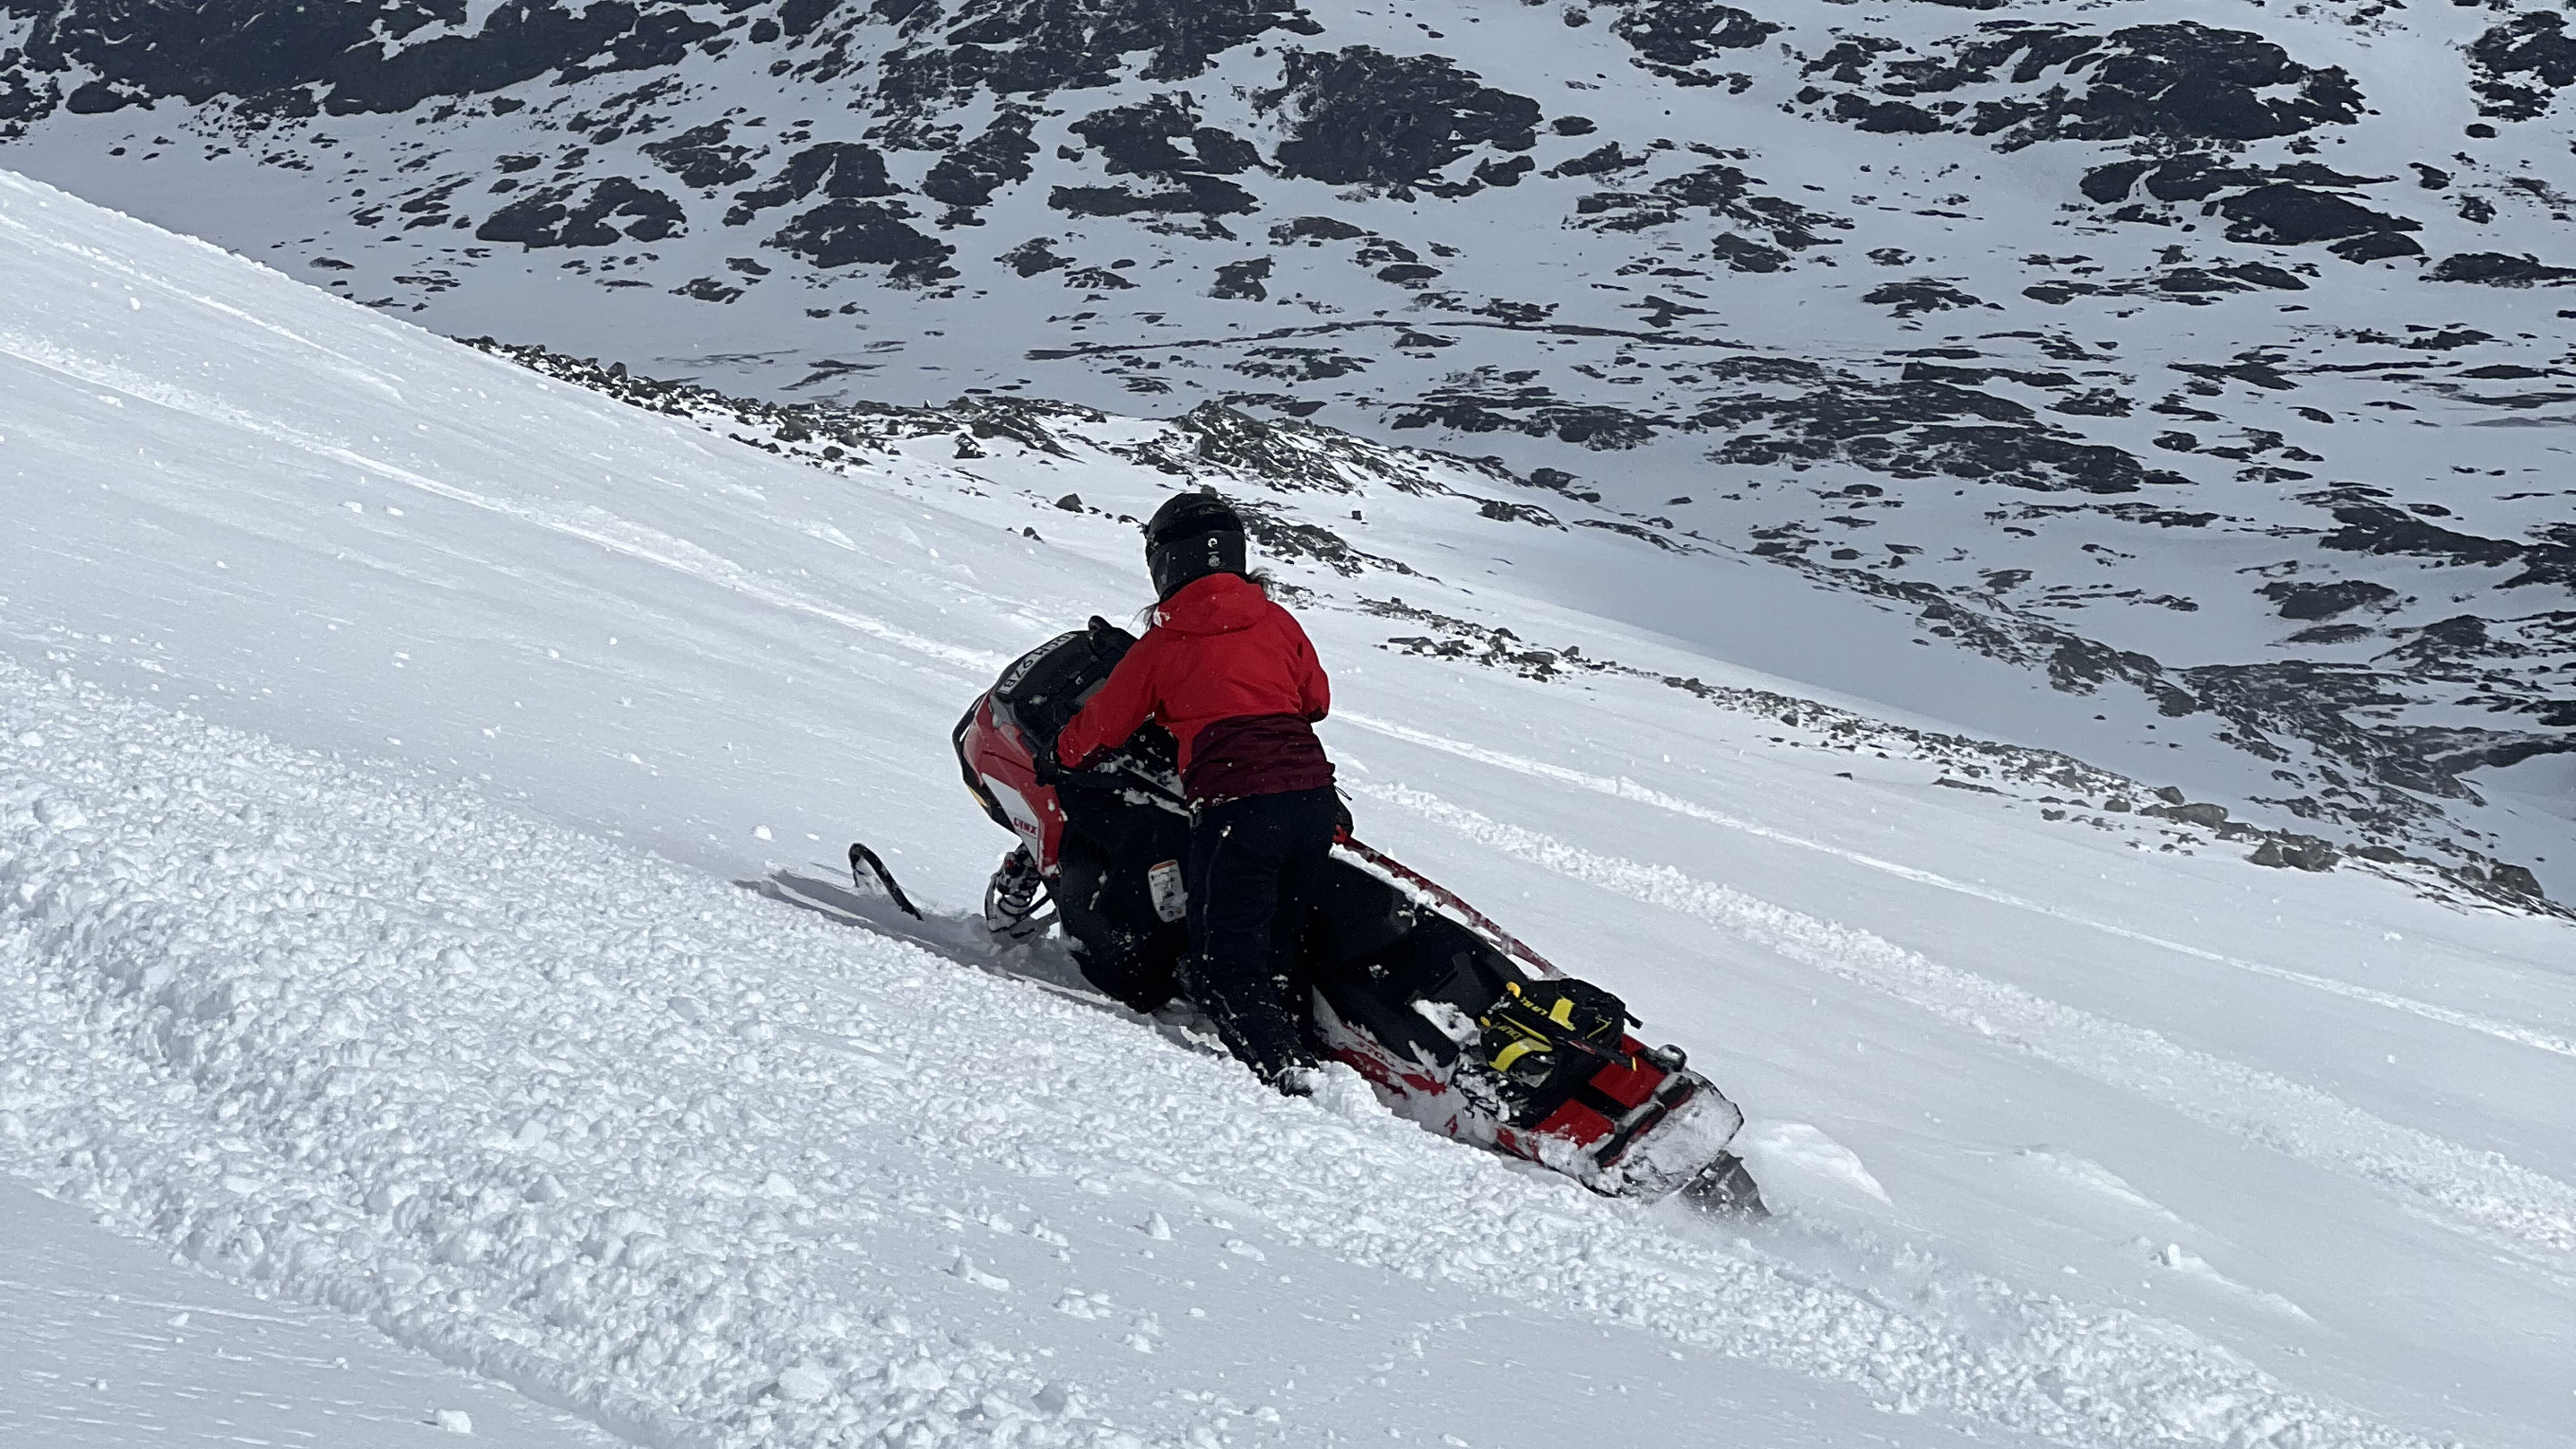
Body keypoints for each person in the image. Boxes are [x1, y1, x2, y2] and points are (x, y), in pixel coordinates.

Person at [1054, 492, 1338, 1093]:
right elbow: (1316, 701)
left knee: (1228, 959)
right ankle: (1295, 1039)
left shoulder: (1164, 643)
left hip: (1239, 804)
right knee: (1278, 940)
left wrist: (1060, 756)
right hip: (1312, 795)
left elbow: (1106, 723)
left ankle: (1290, 1083)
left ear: (1163, 562)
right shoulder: (1278, 620)